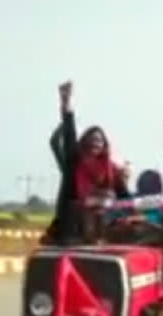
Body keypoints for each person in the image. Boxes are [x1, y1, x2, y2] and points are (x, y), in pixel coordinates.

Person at [44, 80, 129, 244]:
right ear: (84, 143)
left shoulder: (112, 170)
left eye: (99, 140)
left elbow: (126, 199)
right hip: (74, 231)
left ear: (105, 145)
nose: (95, 143)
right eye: (91, 139)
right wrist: (65, 103)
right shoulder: (75, 163)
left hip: (105, 232)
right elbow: (68, 133)